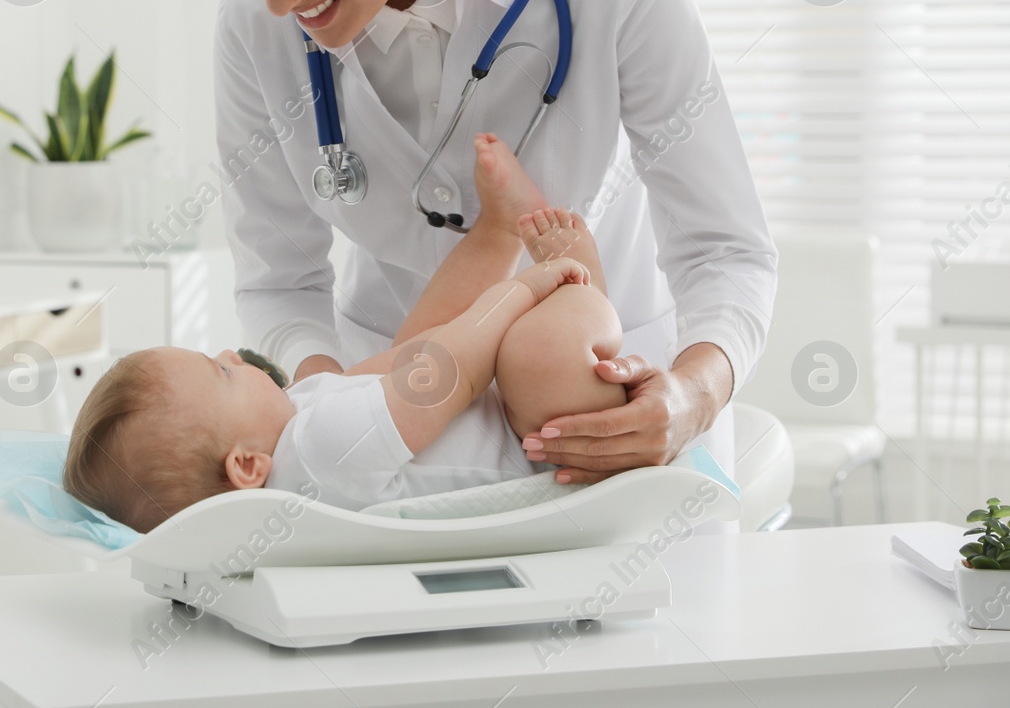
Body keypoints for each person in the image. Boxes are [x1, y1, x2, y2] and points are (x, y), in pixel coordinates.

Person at [192, 0, 777, 484]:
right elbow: (280, 279)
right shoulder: (254, 29)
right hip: (400, 427)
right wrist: (338, 405)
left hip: (617, 402)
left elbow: (726, 249)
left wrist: (692, 395)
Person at [64, 134, 623, 531]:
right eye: (223, 372)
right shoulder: (319, 453)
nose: (234, 353)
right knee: (526, 352)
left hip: (483, 406)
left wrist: (422, 349)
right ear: (245, 465)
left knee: (412, 347)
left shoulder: (294, 429)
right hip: (542, 437)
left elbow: (412, 360)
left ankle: (496, 232)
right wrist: (523, 290)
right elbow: (452, 370)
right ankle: (583, 285)